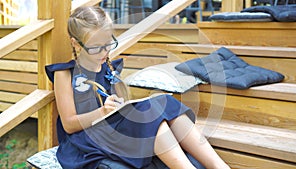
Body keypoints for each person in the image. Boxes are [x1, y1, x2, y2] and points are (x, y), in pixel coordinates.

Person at [45, 6, 230, 169]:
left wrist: (121, 106)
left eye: (108, 44)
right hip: (88, 138)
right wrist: (102, 112)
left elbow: (121, 110)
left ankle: (219, 165)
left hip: (114, 130)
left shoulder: (110, 67)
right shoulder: (66, 74)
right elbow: (69, 125)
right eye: (96, 47)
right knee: (148, 113)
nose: (104, 52)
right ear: (76, 43)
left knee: (163, 101)